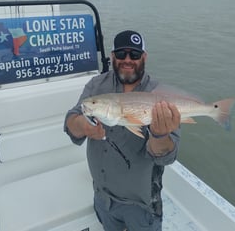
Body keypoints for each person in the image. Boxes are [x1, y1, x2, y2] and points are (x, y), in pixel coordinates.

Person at [64, 30, 181, 231]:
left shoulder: (161, 96)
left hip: (141, 205)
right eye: (121, 54)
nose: (128, 60)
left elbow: (166, 157)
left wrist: (159, 135)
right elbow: (71, 122)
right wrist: (83, 126)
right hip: (102, 196)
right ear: (112, 57)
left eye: (134, 55)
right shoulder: (96, 85)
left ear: (144, 57)